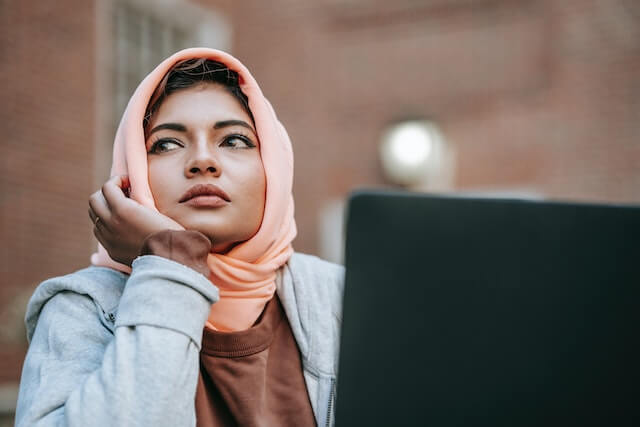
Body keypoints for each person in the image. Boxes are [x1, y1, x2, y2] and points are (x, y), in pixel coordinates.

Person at [15, 48, 344, 427]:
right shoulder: (80, 308)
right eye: (167, 144)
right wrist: (170, 261)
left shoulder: (340, 298)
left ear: (275, 167)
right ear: (131, 175)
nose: (203, 161)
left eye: (234, 140)